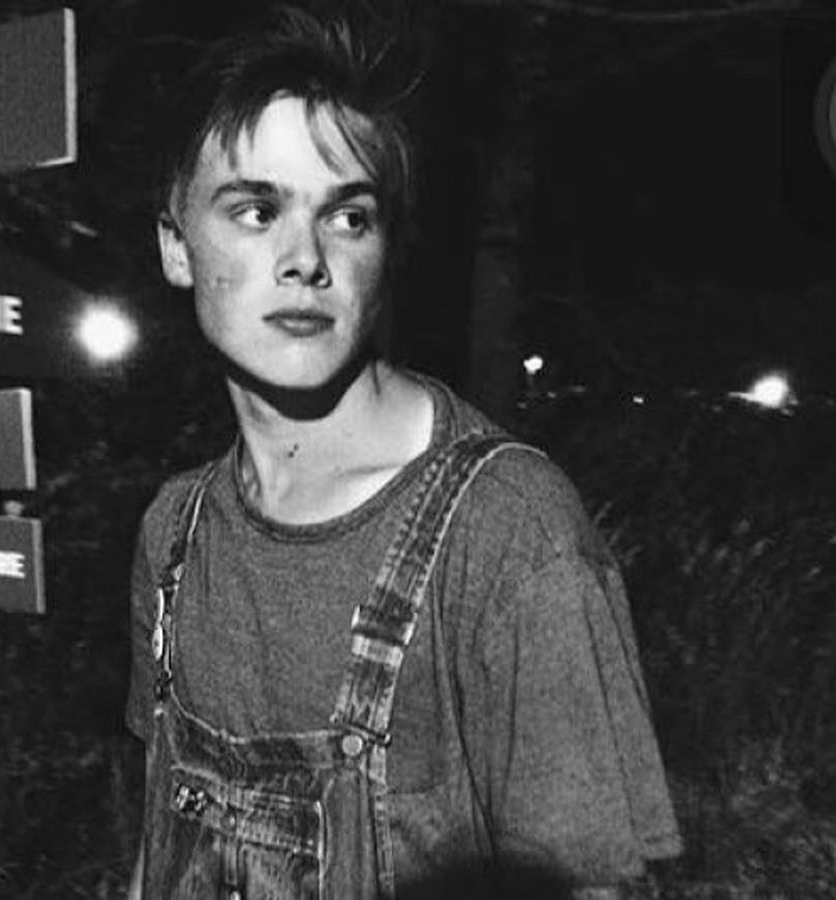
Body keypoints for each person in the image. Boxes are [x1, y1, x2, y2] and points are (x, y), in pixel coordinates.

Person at [126, 5, 682, 898]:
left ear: (386, 252)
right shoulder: (175, 536)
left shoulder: (508, 534)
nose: (305, 258)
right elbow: (159, 845)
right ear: (176, 247)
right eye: (257, 210)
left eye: (348, 217)